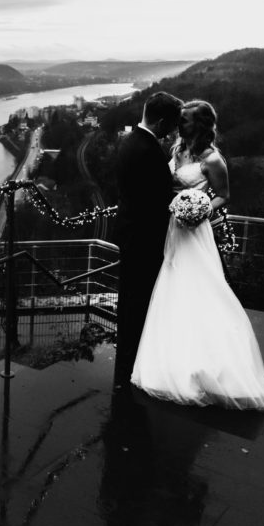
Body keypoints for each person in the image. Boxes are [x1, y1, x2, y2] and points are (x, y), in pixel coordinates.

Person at [131, 100, 264, 411]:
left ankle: (205, 362)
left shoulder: (213, 159)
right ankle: (173, 356)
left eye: (184, 121)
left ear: (199, 126)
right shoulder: (177, 150)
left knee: (198, 285)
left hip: (194, 229)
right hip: (172, 227)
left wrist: (200, 209)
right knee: (172, 285)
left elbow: (224, 195)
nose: (178, 125)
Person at [113, 91, 184, 391]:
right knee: (140, 302)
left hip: (130, 234)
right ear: (162, 121)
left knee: (129, 300)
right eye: (172, 125)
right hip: (146, 239)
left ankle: (126, 362)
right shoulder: (150, 152)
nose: (173, 132)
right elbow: (156, 202)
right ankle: (134, 366)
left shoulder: (128, 143)